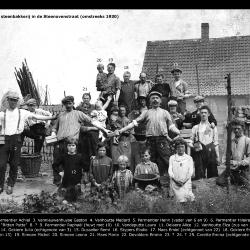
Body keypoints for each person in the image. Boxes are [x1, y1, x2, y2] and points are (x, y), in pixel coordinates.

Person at [113, 91, 180, 177]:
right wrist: (121, 130)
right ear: (150, 101)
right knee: (150, 161)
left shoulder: (165, 112)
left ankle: (176, 178)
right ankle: (152, 181)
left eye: (157, 98)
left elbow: (171, 126)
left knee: (167, 159)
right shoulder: (146, 112)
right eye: (153, 98)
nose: (155, 100)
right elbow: (133, 123)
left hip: (162, 140)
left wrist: (178, 132)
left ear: (160, 101)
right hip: (150, 140)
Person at [0, 90, 55, 194]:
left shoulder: (23, 112)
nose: (13, 102)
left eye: (15, 100)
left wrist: (51, 117)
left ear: (17, 101)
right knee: (1, 164)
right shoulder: (2, 114)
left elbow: (36, 116)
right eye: (11, 100)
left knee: (14, 164)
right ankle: (0, 185)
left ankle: (11, 184)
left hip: (16, 139)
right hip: (4, 140)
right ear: (7, 100)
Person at [51, 95, 111, 186]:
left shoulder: (78, 113)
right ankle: (58, 182)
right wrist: (53, 133)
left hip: (72, 143)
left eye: (70, 103)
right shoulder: (60, 115)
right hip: (60, 142)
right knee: (57, 162)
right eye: (66, 103)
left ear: (73, 103)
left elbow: (92, 121)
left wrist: (104, 129)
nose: (68, 105)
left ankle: (73, 183)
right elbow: (54, 128)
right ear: (64, 105)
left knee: (71, 164)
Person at [216, 119, 250, 189]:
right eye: (235, 129)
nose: (236, 130)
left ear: (243, 128)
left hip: (243, 169)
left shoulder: (247, 140)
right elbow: (225, 158)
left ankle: (238, 181)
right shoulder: (231, 142)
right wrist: (229, 162)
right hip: (232, 169)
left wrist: (240, 162)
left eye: (238, 128)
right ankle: (234, 181)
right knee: (219, 181)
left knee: (246, 185)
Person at [190, 105, 220, 180]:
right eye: (202, 113)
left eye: (205, 113)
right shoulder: (195, 128)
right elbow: (190, 141)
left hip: (210, 150)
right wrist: (193, 146)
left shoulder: (213, 128)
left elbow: (216, 143)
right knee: (199, 176)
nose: (203, 114)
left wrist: (218, 157)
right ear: (199, 114)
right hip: (199, 151)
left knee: (213, 176)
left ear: (209, 114)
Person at [168, 137, 195, 203]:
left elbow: (190, 171)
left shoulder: (189, 158)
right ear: (176, 148)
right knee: (176, 199)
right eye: (178, 147)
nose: (180, 149)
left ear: (185, 147)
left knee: (187, 197)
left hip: (185, 182)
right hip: (175, 182)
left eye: (182, 147)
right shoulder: (172, 158)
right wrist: (175, 180)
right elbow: (170, 171)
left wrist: (184, 181)